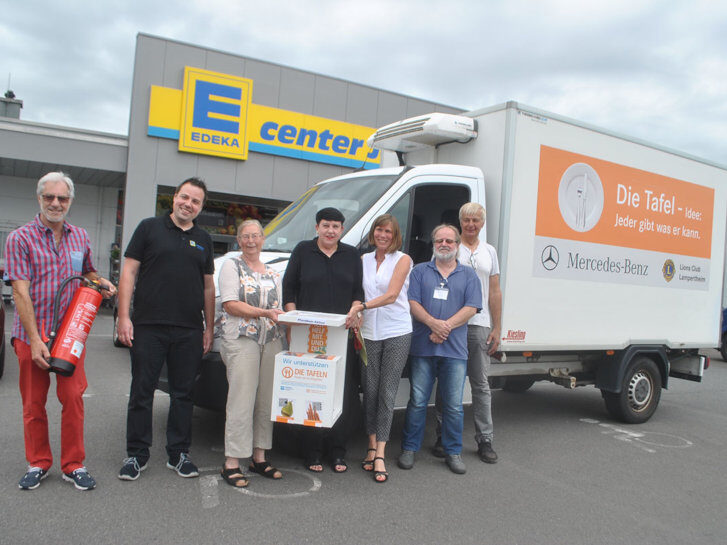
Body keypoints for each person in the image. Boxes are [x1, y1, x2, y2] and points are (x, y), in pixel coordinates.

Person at [4, 172, 116, 491]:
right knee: (33, 403)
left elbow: (87, 273)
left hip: (69, 336)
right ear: (39, 198)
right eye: (49, 197)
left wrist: (101, 282)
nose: (56, 203)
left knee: (73, 398)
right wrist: (36, 339)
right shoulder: (20, 239)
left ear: (70, 201)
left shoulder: (79, 236)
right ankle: (38, 462)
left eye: (62, 198)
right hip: (31, 336)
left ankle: (73, 464)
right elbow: (20, 292)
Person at [116, 177, 215, 481]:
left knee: (183, 394)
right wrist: (123, 316)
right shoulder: (149, 228)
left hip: (188, 329)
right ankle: (136, 455)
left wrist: (208, 327)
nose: (188, 204)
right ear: (174, 198)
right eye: (184, 197)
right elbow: (129, 272)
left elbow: (208, 287)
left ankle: (178, 453)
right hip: (149, 326)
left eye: (195, 201)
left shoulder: (204, 238)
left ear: (201, 207)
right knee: (142, 392)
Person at [282, 207, 364, 473]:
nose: (331, 231)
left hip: (340, 334)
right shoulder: (303, 251)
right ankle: (311, 451)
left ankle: (337, 451)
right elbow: (289, 287)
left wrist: (355, 311)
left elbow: (358, 291)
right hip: (308, 334)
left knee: (341, 391)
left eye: (336, 226)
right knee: (311, 390)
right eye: (326, 225)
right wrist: (292, 320)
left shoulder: (351, 255)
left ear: (342, 230)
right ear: (317, 227)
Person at [397, 224, 482, 475]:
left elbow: (472, 307)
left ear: (457, 245)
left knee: (454, 405)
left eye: (449, 240)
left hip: (454, 351)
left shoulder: (469, 275)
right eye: (439, 240)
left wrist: (444, 327)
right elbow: (412, 302)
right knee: (418, 402)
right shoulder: (420, 271)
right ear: (433, 243)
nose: (444, 244)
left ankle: (452, 452)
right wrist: (433, 324)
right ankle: (409, 449)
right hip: (423, 348)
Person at [432, 202, 502, 463]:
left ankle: (485, 439)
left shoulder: (489, 252)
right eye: (467, 220)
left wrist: (496, 326)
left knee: (481, 384)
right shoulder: (449, 246)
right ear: (460, 223)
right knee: (448, 383)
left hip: (479, 324)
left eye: (476, 220)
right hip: (451, 324)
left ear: (482, 224)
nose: (471, 224)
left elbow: (494, 290)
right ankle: (443, 435)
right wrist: (438, 323)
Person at [218, 220, 285, 488]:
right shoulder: (231, 266)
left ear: (263, 239)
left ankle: (259, 457)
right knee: (240, 401)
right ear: (238, 239)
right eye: (245, 236)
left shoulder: (273, 272)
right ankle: (232, 462)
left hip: (270, 341)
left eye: (255, 235)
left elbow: (279, 308)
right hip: (241, 339)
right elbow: (230, 304)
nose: (251, 240)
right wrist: (265, 313)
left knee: (265, 401)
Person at [346, 215, 412, 483]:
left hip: (397, 331)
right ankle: (371, 445)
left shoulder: (403, 260)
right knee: (370, 390)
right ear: (373, 234)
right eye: (379, 230)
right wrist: (357, 310)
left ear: (395, 235)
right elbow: (358, 292)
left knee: (387, 391)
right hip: (369, 333)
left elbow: (392, 295)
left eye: (388, 231)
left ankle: (382, 452)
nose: (383, 235)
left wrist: (361, 307)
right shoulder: (363, 261)